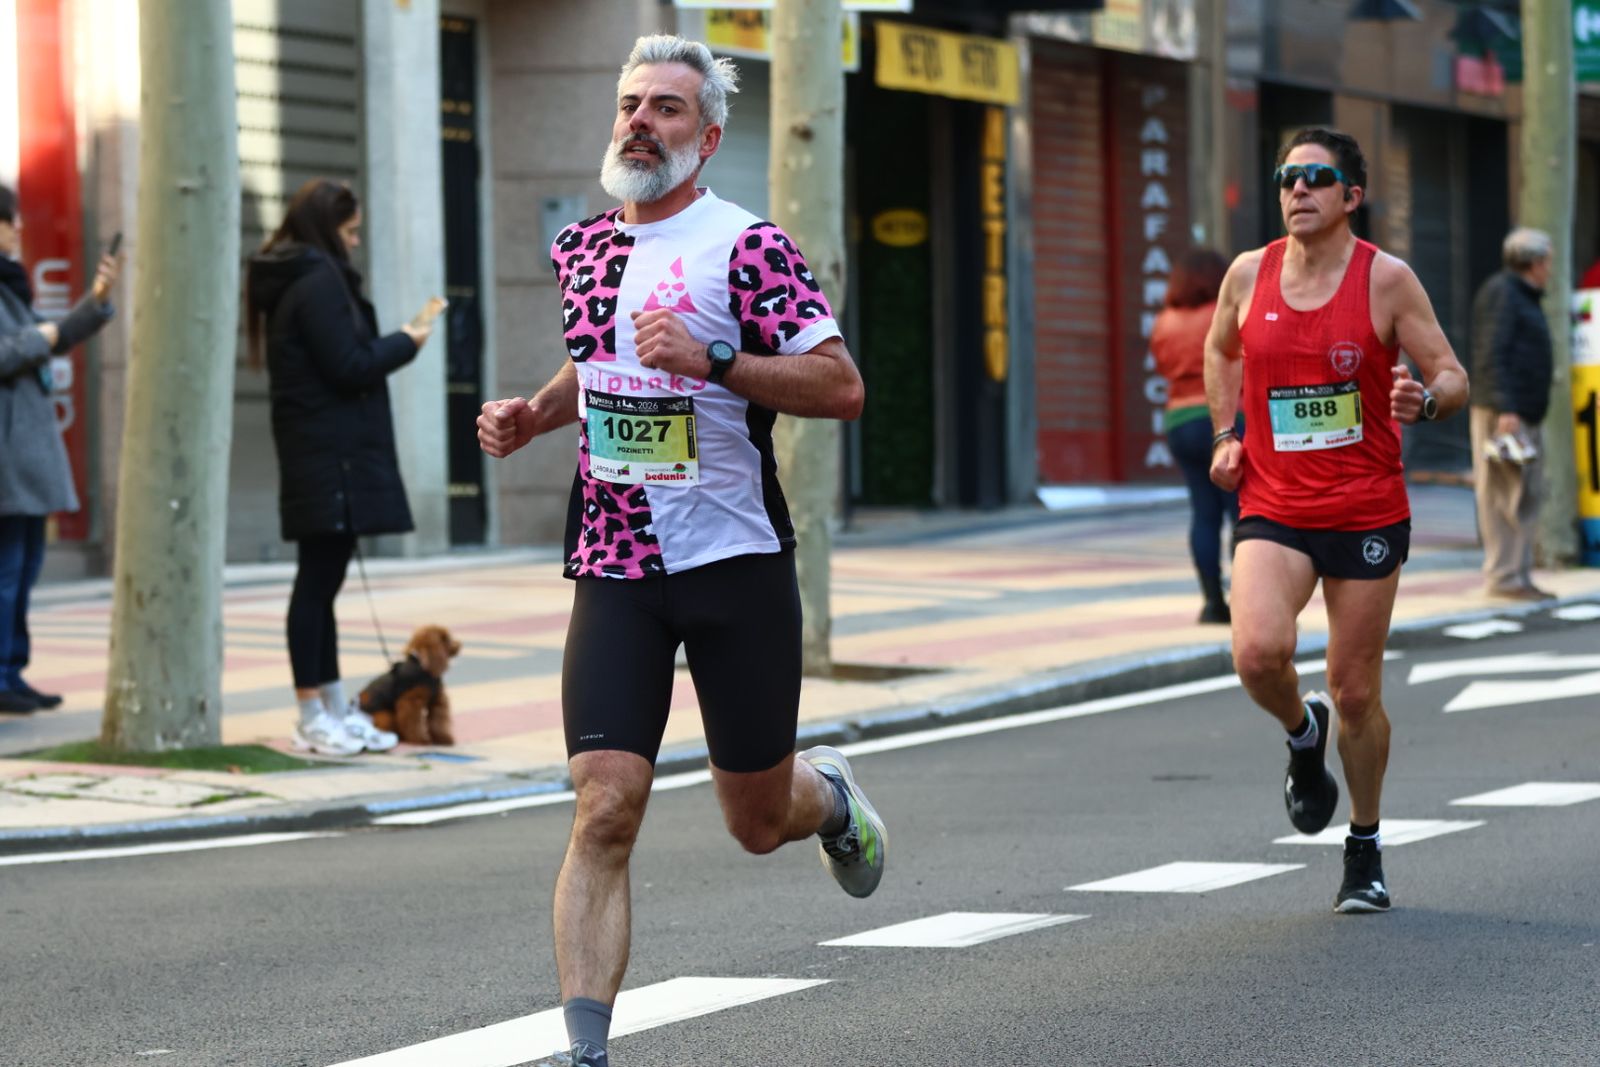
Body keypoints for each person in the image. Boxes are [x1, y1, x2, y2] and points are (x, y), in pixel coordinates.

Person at [476, 35, 880, 1067]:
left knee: (756, 818)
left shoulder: (749, 247)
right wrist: (533, 416)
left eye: (665, 108)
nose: (639, 122)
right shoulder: (582, 247)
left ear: (707, 137)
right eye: (630, 104)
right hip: (614, 562)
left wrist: (713, 358)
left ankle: (829, 796)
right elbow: (592, 362)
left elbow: (840, 386)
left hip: (732, 560)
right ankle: (587, 1049)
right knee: (605, 801)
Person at [1204, 127, 1468, 914]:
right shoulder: (1247, 274)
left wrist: (1426, 400)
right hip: (1275, 502)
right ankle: (1300, 733)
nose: (1297, 189)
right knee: (1258, 653)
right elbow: (1221, 350)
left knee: (1355, 692)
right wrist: (1225, 434)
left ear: (1352, 196)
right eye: (1287, 177)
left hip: (1364, 509)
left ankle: (1364, 844)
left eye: (1316, 177)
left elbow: (1451, 373)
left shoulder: (1387, 280)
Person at [245, 179, 445, 756]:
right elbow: (348, 365)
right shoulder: (316, 283)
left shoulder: (303, 278)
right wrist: (406, 341)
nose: (355, 242)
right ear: (327, 229)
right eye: (350, 231)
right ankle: (312, 713)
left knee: (323, 581)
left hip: (322, 450)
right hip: (327, 454)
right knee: (315, 584)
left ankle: (332, 706)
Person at [0, 184, 119, 714]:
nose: (18, 229)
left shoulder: (11, 284)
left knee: (24, 569)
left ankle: (11, 670)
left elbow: (55, 336)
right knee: (7, 571)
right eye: (10, 220)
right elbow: (20, 348)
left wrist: (96, 300)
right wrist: (41, 338)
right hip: (7, 454)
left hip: (24, 450)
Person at [1468, 228, 1555, 601]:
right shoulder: (1503, 293)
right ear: (1535, 263)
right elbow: (1492, 351)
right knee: (1504, 494)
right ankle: (1504, 577)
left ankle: (1518, 575)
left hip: (1521, 410)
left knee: (1524, 493)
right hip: (1505, 412)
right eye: (1548, 261)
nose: (1550, 269)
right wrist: (1506, 407)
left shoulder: (1520, 294)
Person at [1152, 247, 1238, 623]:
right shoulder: (1220, 313)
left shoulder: (1164, 322)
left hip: (1179, 421)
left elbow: (1162, 365)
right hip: (1223, 416)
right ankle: (1250, 603)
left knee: (1204, 512)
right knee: (1243, 511)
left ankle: (1212, 602)